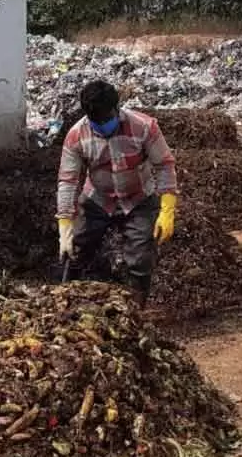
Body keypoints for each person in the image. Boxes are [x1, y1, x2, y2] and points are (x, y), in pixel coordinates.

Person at [56, 80, 178, 305]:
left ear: (116, 109)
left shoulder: (144, 127)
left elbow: (164, 165)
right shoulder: (77, 136)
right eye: (96, 122)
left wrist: (167, 209)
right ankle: (63, 302)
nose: (102, 126)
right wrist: (65, 224)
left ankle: (136, 309)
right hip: (98, 200)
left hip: (139, 198)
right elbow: (68, 180)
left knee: (140, 259)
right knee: (75, 251)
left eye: (106, 120)